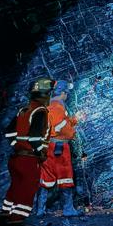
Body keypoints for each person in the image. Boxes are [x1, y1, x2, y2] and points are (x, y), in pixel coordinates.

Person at [2, 77, 54, 226]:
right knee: (28, 188)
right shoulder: (40, 112)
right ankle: (17, 219)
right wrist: (40, 153)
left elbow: (9, 132)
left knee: (16, 186)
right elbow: (35, 137)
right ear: (45, 95)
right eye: (49, 94)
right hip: (29, 160)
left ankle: (7, 213)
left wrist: (16, 145)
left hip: (16, 158)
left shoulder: (23, 110)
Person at [36, 79, 81, 216]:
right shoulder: (57, 106)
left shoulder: (49, 105)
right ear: (62, 93)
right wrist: (72, 132)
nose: (67, 96)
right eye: (66, 93)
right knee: (65, 175)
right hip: (59, 147)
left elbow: (58, 124)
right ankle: (68, 209)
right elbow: (61, 127)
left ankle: (40, 210)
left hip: (48, 145)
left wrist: (74, 120)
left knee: (46, 175)